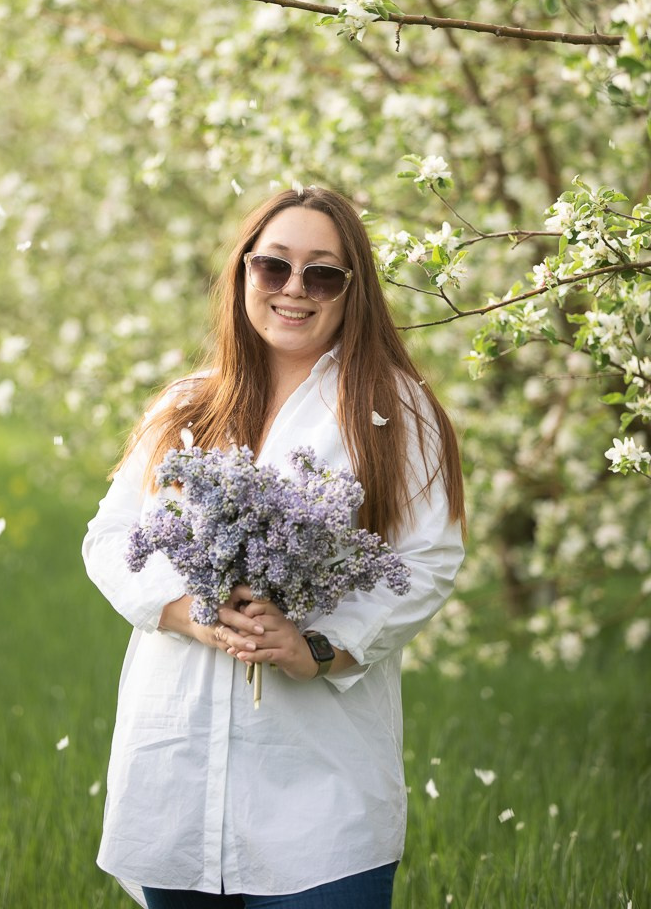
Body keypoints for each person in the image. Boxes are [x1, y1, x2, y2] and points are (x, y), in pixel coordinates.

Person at [82, 186, 466, 909]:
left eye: (323, 274)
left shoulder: (392, 409)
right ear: (243, 275)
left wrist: (318, 646)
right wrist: (184, 610)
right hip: (175, 779)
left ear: (354, 294)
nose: (296, 289)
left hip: (319, 796)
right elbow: (111, 537)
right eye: (274, 267)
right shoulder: (183, 407)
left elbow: (428, 559)